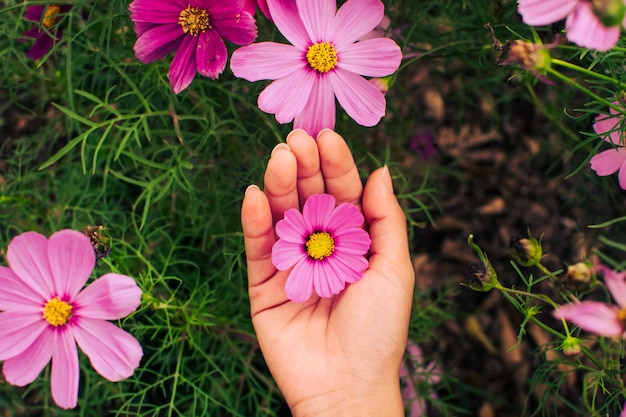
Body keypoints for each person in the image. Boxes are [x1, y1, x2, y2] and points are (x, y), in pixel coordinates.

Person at [241, 128, 415, 416]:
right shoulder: (303, 241)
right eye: (319, 243)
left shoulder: (337, 252)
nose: (321, 245)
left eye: (323, 244)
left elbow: (347, 263)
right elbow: (290, 231)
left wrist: (354, 394)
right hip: (304, 241)